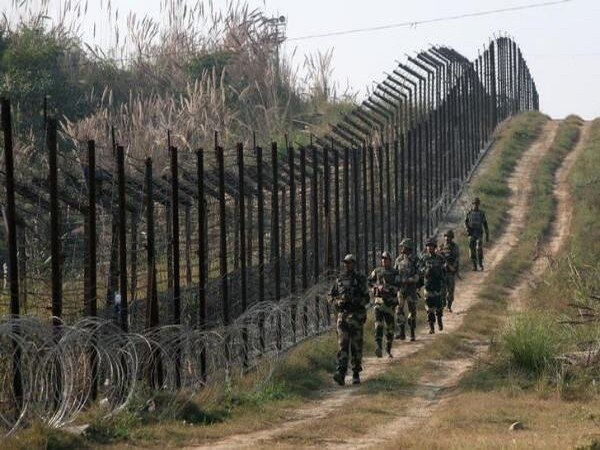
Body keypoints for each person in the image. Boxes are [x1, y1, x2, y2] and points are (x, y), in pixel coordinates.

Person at [328, 254, 370, 385]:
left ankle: (356, 373)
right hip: (343, 317)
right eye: (345, 263)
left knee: (356, 346)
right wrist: (337, 302)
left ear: (354, 264)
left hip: (356, 316)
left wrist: (355, 301)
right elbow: (330, 296)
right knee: (342, 345)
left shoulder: (360, 279)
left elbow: (366, 298)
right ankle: (341, 373)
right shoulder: (339, 280)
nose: (347, 265)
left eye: (350, 263)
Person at [368, 251, 400, 358]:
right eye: (382, 259)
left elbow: (399, 286)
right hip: (379, 303)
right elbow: (369, 282)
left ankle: (388, 348)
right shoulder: (377, 271)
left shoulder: (395, 272)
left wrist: (388, 288)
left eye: (386, 259)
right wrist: (375, 287)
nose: (384, 260)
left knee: (390, 328)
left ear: (390, 261)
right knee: (378, 325)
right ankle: (378, 347)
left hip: (390, 304)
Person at [394, 238, 420, 342]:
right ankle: (402, 333)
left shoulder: (415, 259)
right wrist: (397, 280)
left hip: (411, 289)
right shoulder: (398, 260)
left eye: (403, 246)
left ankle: (412, 333)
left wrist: (411, 279)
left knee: (412, 311)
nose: (401, 248)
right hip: (401, 289)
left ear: (408, 247)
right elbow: (395, 272)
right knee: (399, 310)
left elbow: (419, 273)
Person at [419, 237, 446, 334]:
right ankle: (431, 327)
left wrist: (439, 272)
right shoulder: (424, 258)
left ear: (434, 247)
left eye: (431, 246)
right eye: (428, 246)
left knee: (438, 306)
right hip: (428, 285)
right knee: (429, 308)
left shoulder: (439, 258)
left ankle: (439, 320)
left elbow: (444, 268)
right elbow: (419, 269)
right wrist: (426, 271)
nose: (430, 248)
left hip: (437, 285)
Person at [465, 197, 489, 271]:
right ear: (472, 204)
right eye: (474, 204)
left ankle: (480, 264)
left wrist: (487, 234)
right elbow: (466, 222)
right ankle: (474, 265)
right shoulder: (469, 213)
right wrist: (467, 229)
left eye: (477, 204)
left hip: (479, 233)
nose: (475, 205)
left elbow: (485, 224)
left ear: (479, 204)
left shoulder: (481, 213)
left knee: (479, 248)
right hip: (471, 233)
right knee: (472, 250)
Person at [438, 229, 460, 312]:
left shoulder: (455, 247)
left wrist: (453, 267)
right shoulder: (441, 247)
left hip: (451, 272)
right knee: (442, 290)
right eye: (446, 236)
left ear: (452, 238)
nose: (447, 238)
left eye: (449, 237)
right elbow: (438, 259)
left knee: (450, 290)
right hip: (443, 272)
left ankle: (449, 306)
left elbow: (456, 259)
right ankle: (443, 305)